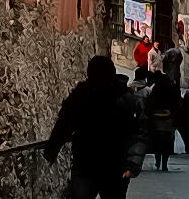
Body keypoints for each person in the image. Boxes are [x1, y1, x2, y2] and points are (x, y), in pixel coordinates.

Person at [45, 56, 147, 199]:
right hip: (113, 164)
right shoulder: (124, 97)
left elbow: (64, 125)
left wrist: (51, 150)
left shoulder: (82, 95)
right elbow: (137, 133)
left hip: (86, 162)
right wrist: (132, 164)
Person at [147, 72, 179, 172]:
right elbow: (176, 104)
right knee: (167, 142)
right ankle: (164, 164)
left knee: (158, 141)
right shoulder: (172, 90)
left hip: (156, 119)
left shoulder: (156, 89)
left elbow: (150, 103)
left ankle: (157, 161)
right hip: (168, 119)